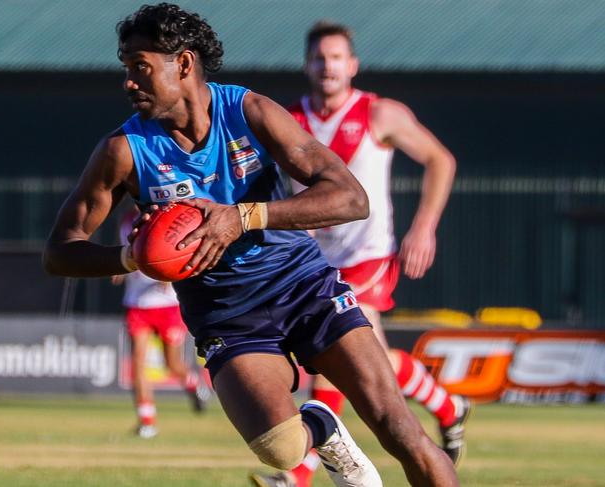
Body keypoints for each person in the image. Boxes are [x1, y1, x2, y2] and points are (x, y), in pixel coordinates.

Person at [43, 4, 459, 486]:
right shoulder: (123, 151)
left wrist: (242, 217)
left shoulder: (248, 111)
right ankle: (321, 423)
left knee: (399, 428)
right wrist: (128, 258)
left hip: (303, 288)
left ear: (183, 64)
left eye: (140, 67)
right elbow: (59, 251)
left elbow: (350, 197)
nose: (128, 82)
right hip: (225, 316)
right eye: (126, 68)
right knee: (280, 450)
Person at [250, 21, 468, 487]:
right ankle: (450, 406)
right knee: (376, 362)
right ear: (306, 65)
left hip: (368, 258)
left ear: (352, 65)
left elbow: (440, 160)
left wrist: (424, 227)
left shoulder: (378, 113)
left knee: (334, 358)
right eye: (318, 58)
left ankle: (297, 474)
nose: (326, 66)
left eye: (335, 57)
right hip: (311, 263)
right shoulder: (287, 119)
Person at [111, 206, 208, 439]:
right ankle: (147, 420)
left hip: (166, 304)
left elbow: (179, 251)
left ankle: (193, 385)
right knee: (137, 363)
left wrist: (169, 273)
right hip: (137, 303)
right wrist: (118, 269)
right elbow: (127, 253)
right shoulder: (125, 219)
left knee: (172, 364)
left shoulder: (166, 214)